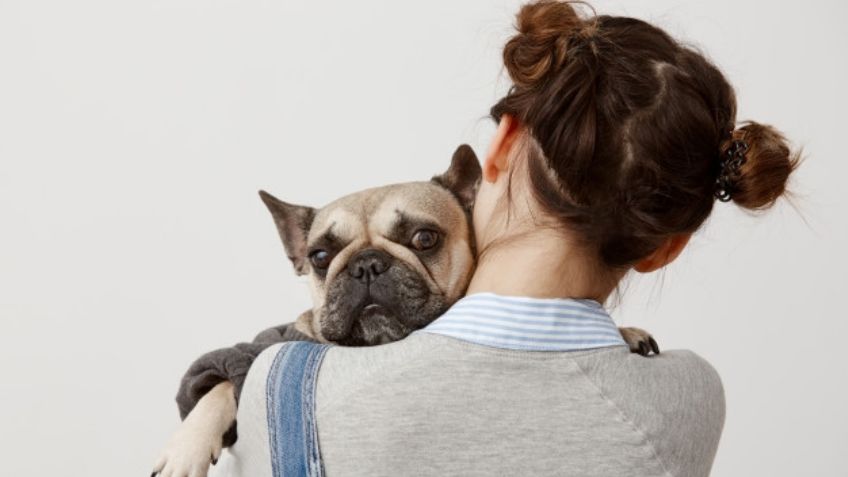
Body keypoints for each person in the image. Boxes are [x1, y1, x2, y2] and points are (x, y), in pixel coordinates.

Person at [214, 1, 798, 476]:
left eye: (420, 240)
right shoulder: (689, 397)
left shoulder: (287, 387)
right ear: (666, 246)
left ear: (499, 147)